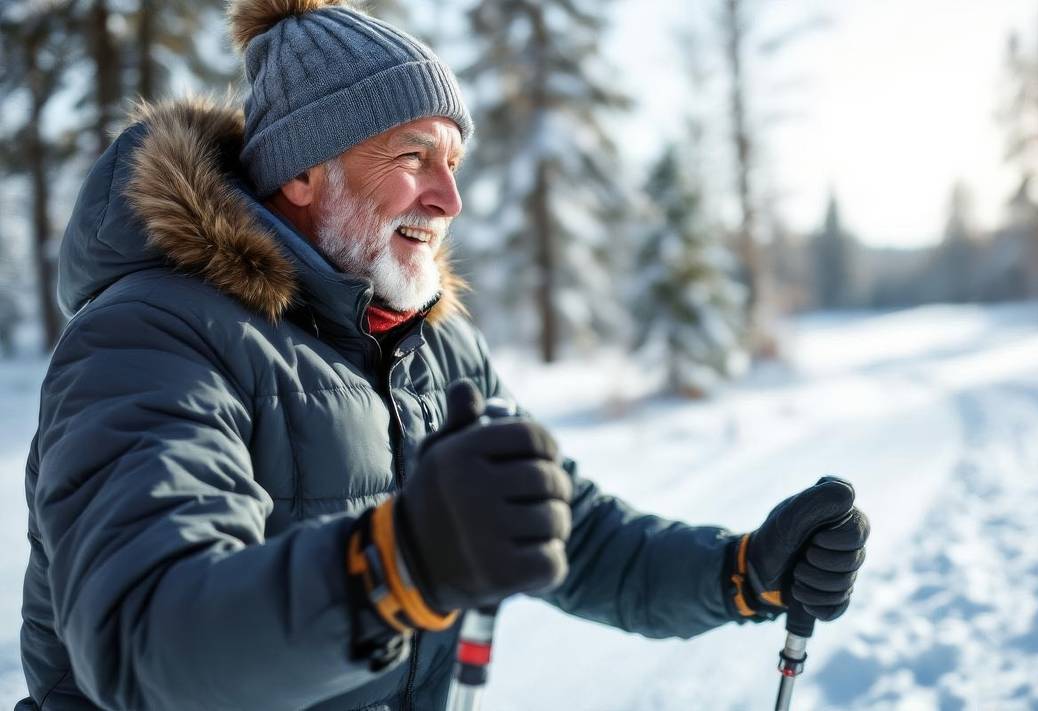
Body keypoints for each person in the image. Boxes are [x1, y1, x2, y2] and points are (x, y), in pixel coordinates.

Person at [17, 1, 869, 708]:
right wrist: (397, 567)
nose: (449, 197)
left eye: (454, 160)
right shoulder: (151, 338)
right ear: (305, 171)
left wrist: (742, 571)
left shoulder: (432, 349)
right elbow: (146, 638)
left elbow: (572, 531)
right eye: (414, 155)